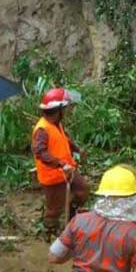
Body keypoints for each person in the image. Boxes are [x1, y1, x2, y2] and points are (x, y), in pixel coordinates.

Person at [31, 88, 88, 240]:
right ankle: (49, 231)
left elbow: (64, 140)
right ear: (58, 110)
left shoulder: (56, 124)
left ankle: (71, 218)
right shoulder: (42, 129)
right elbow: (40, 152)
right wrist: (61, 164)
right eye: (66, 108)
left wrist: (77, 149)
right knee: (54, 209)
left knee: (82, 190)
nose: (68, 110)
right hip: (53, 175)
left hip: (67, 170)